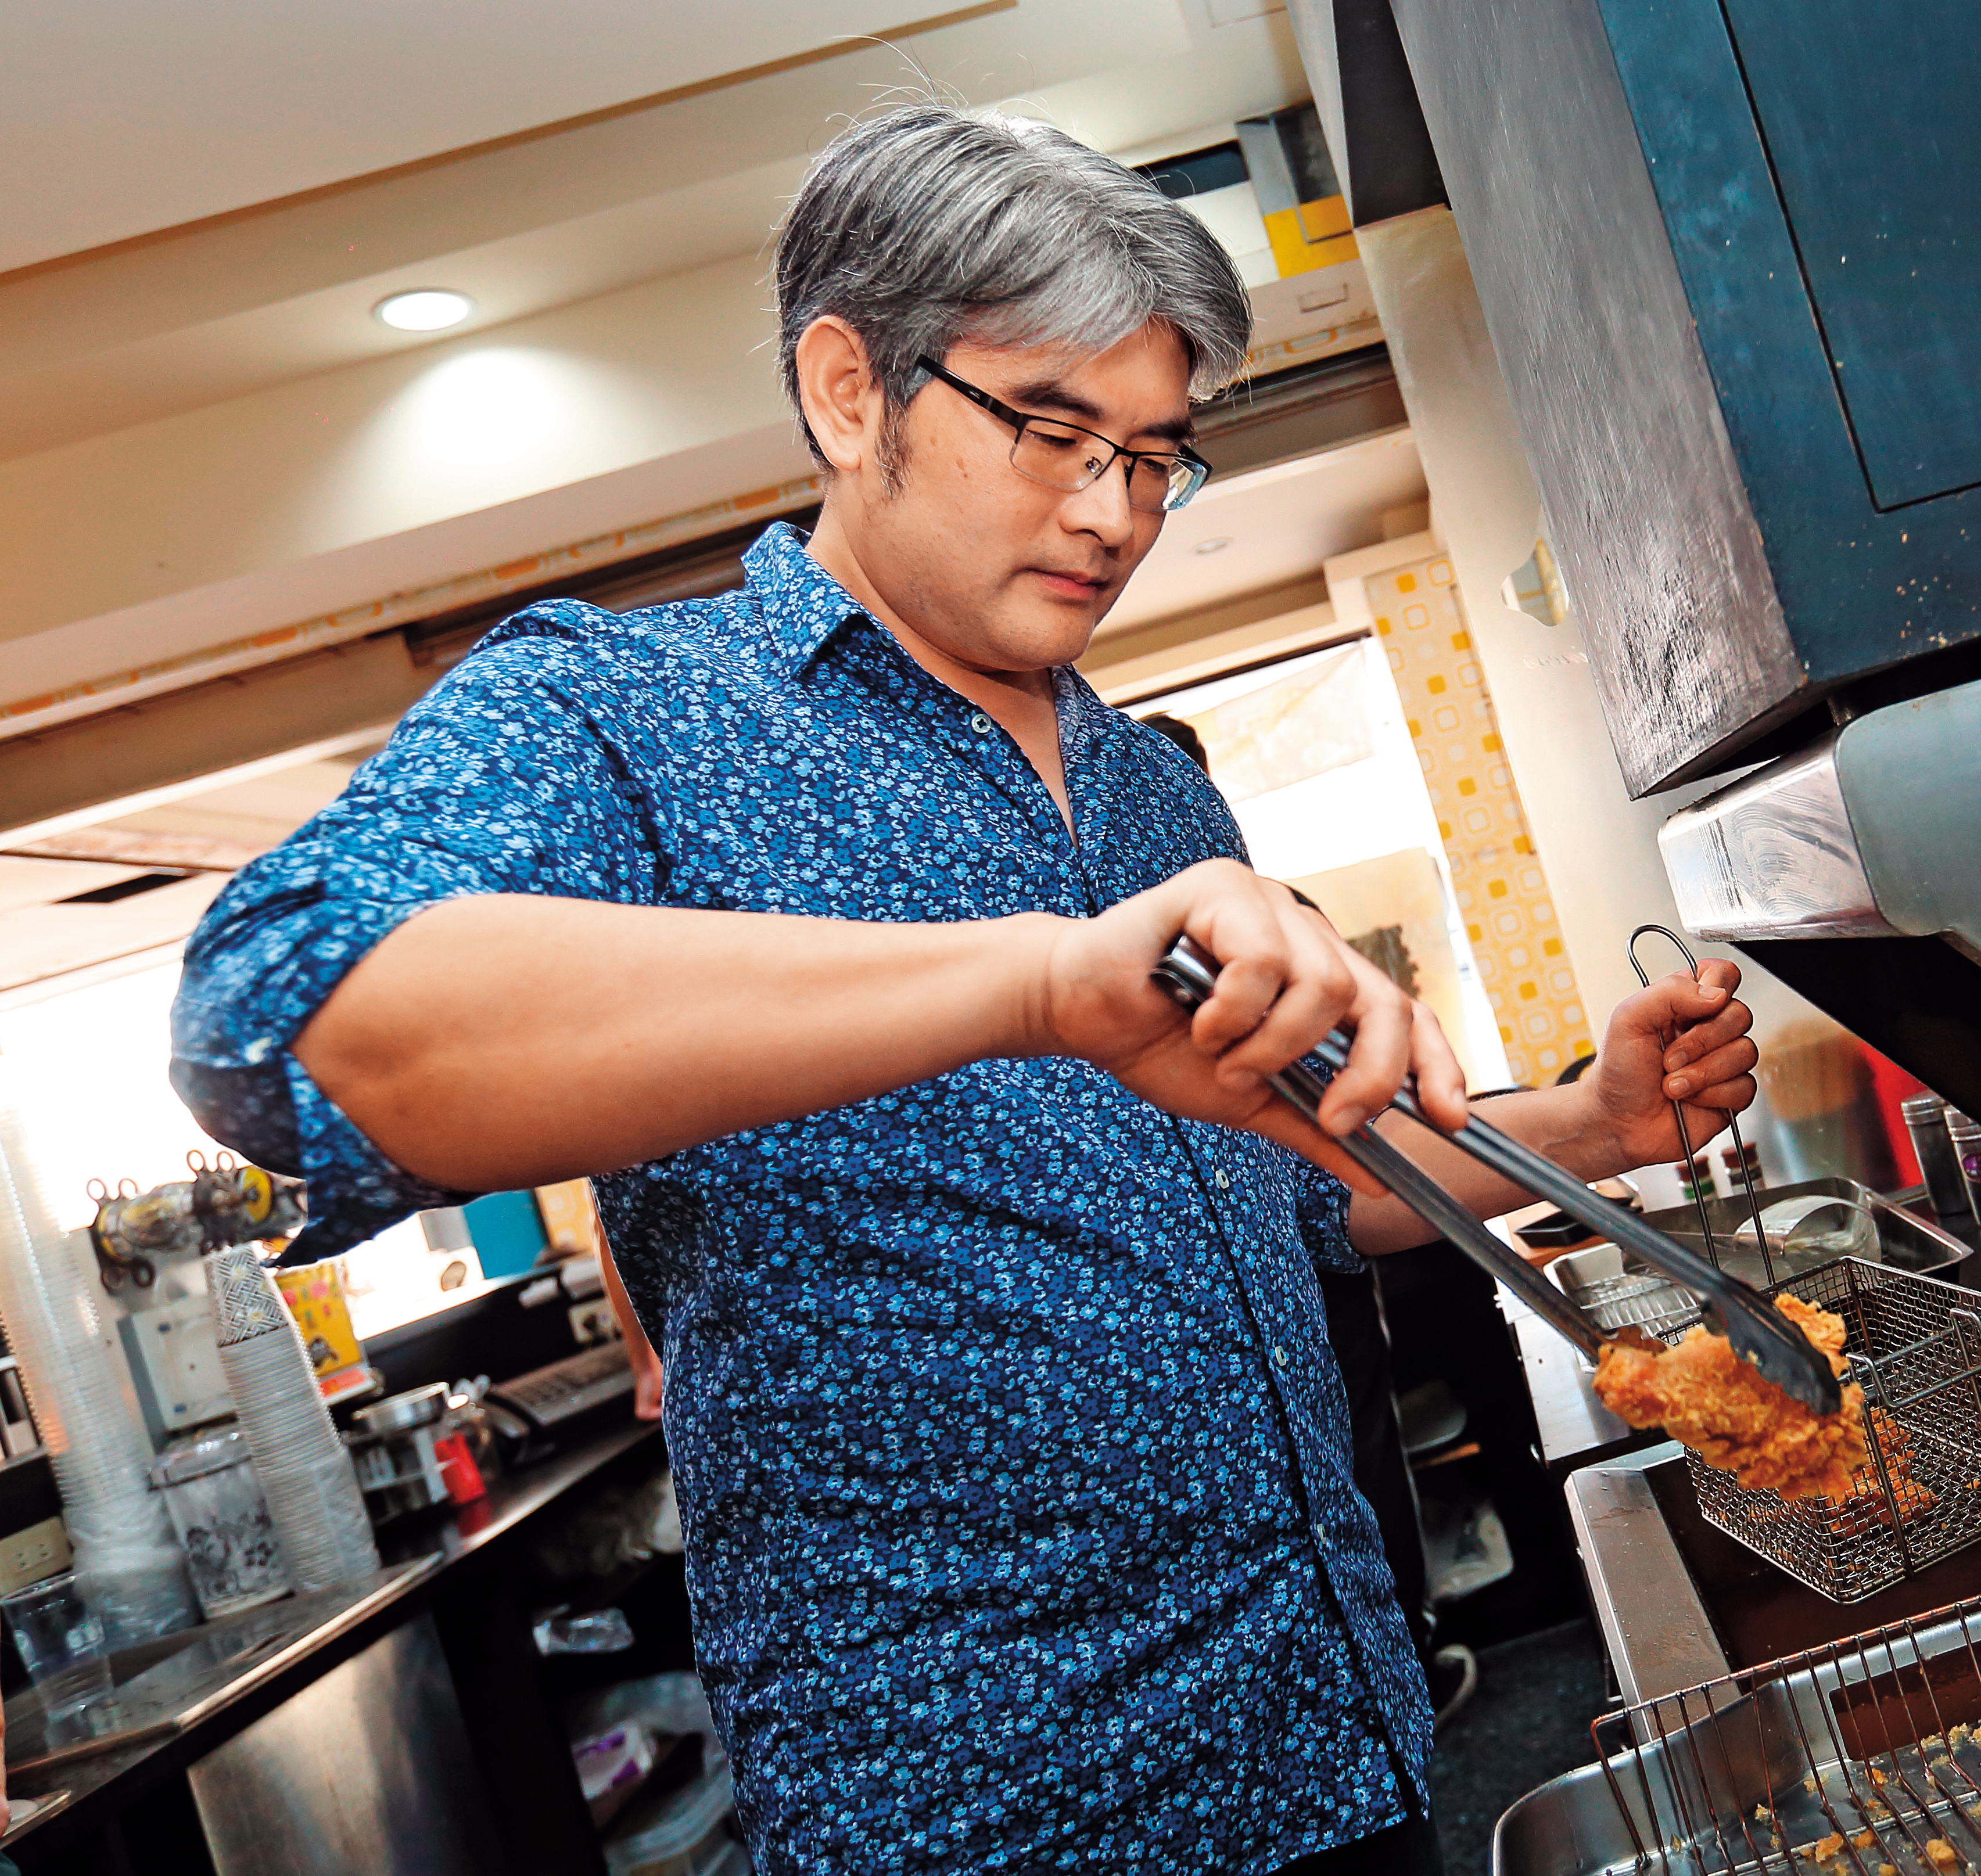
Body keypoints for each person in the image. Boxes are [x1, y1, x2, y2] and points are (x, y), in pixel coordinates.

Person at [168, 105, 1759, 1873]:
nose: (1115, 513)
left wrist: (1593, 1126)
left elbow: (1309, 1191)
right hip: (989, 1818)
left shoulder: (1158, 795)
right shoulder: (625, 714)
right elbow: (290, 1018)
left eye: (1155, 458)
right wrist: (1038, 983)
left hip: (1335, 1745)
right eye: (1054, 433)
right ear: (849, 390)